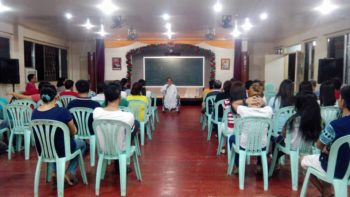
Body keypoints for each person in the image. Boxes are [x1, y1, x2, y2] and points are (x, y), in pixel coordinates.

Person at [31, 84, 86, 186]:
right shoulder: (62, 111)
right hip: (61, 149)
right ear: (56, 97)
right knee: (82, 144)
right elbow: (73, 132)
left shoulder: (34, 113)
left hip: (43, 150)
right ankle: (70, 172)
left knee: (51, 142)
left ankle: (55, 172)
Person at [301, 85, 350, 196]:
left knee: (303, 159)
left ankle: (325, 192)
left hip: (336, 169)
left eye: (340, 97)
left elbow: (319, 145)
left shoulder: (335, 125)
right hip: (349, 171)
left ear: (343, 102)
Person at [93, 83, 139, 173]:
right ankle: (119, 163)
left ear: (105, 97)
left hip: (103, 148)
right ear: (120, 97)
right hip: (120, 149)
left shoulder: (96, 112)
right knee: (135, 124)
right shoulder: (128, 116)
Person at [229, 81, 273, 172]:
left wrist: (245, 101)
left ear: (248, 96)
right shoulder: (268, 110)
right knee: (267, 137)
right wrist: (263, 103)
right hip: (262, 145)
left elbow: (233, 104)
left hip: (244, 145)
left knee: (233, 138)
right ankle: (259, 166)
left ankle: (238, 166)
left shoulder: (243, 110)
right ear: (262, 97)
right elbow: (266, 106)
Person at [272, 92, 322, 167]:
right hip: (308, 147)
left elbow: (284, 134)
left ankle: (275, 163)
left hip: (291, 147)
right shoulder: (317, 119)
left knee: (275, 140)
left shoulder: (294, 119)